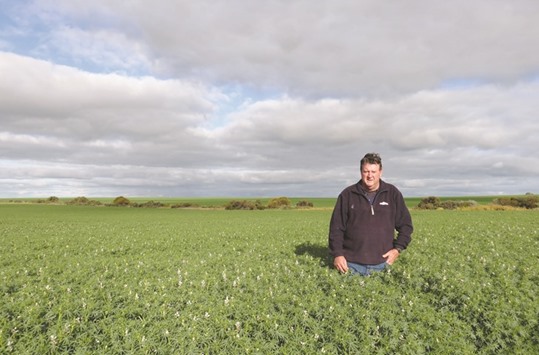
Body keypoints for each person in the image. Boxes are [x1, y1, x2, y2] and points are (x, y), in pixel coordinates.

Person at [328, 153, 413, 276]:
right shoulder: (348, 195)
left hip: (383, 264)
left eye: (373, 171)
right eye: (366, 171)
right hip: (350, 265)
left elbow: (406, 226)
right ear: (361, 172)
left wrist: (397, 249)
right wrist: (338, 254)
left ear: (380, 172)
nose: (369, 175)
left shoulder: (392, 193)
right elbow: (336, 228)